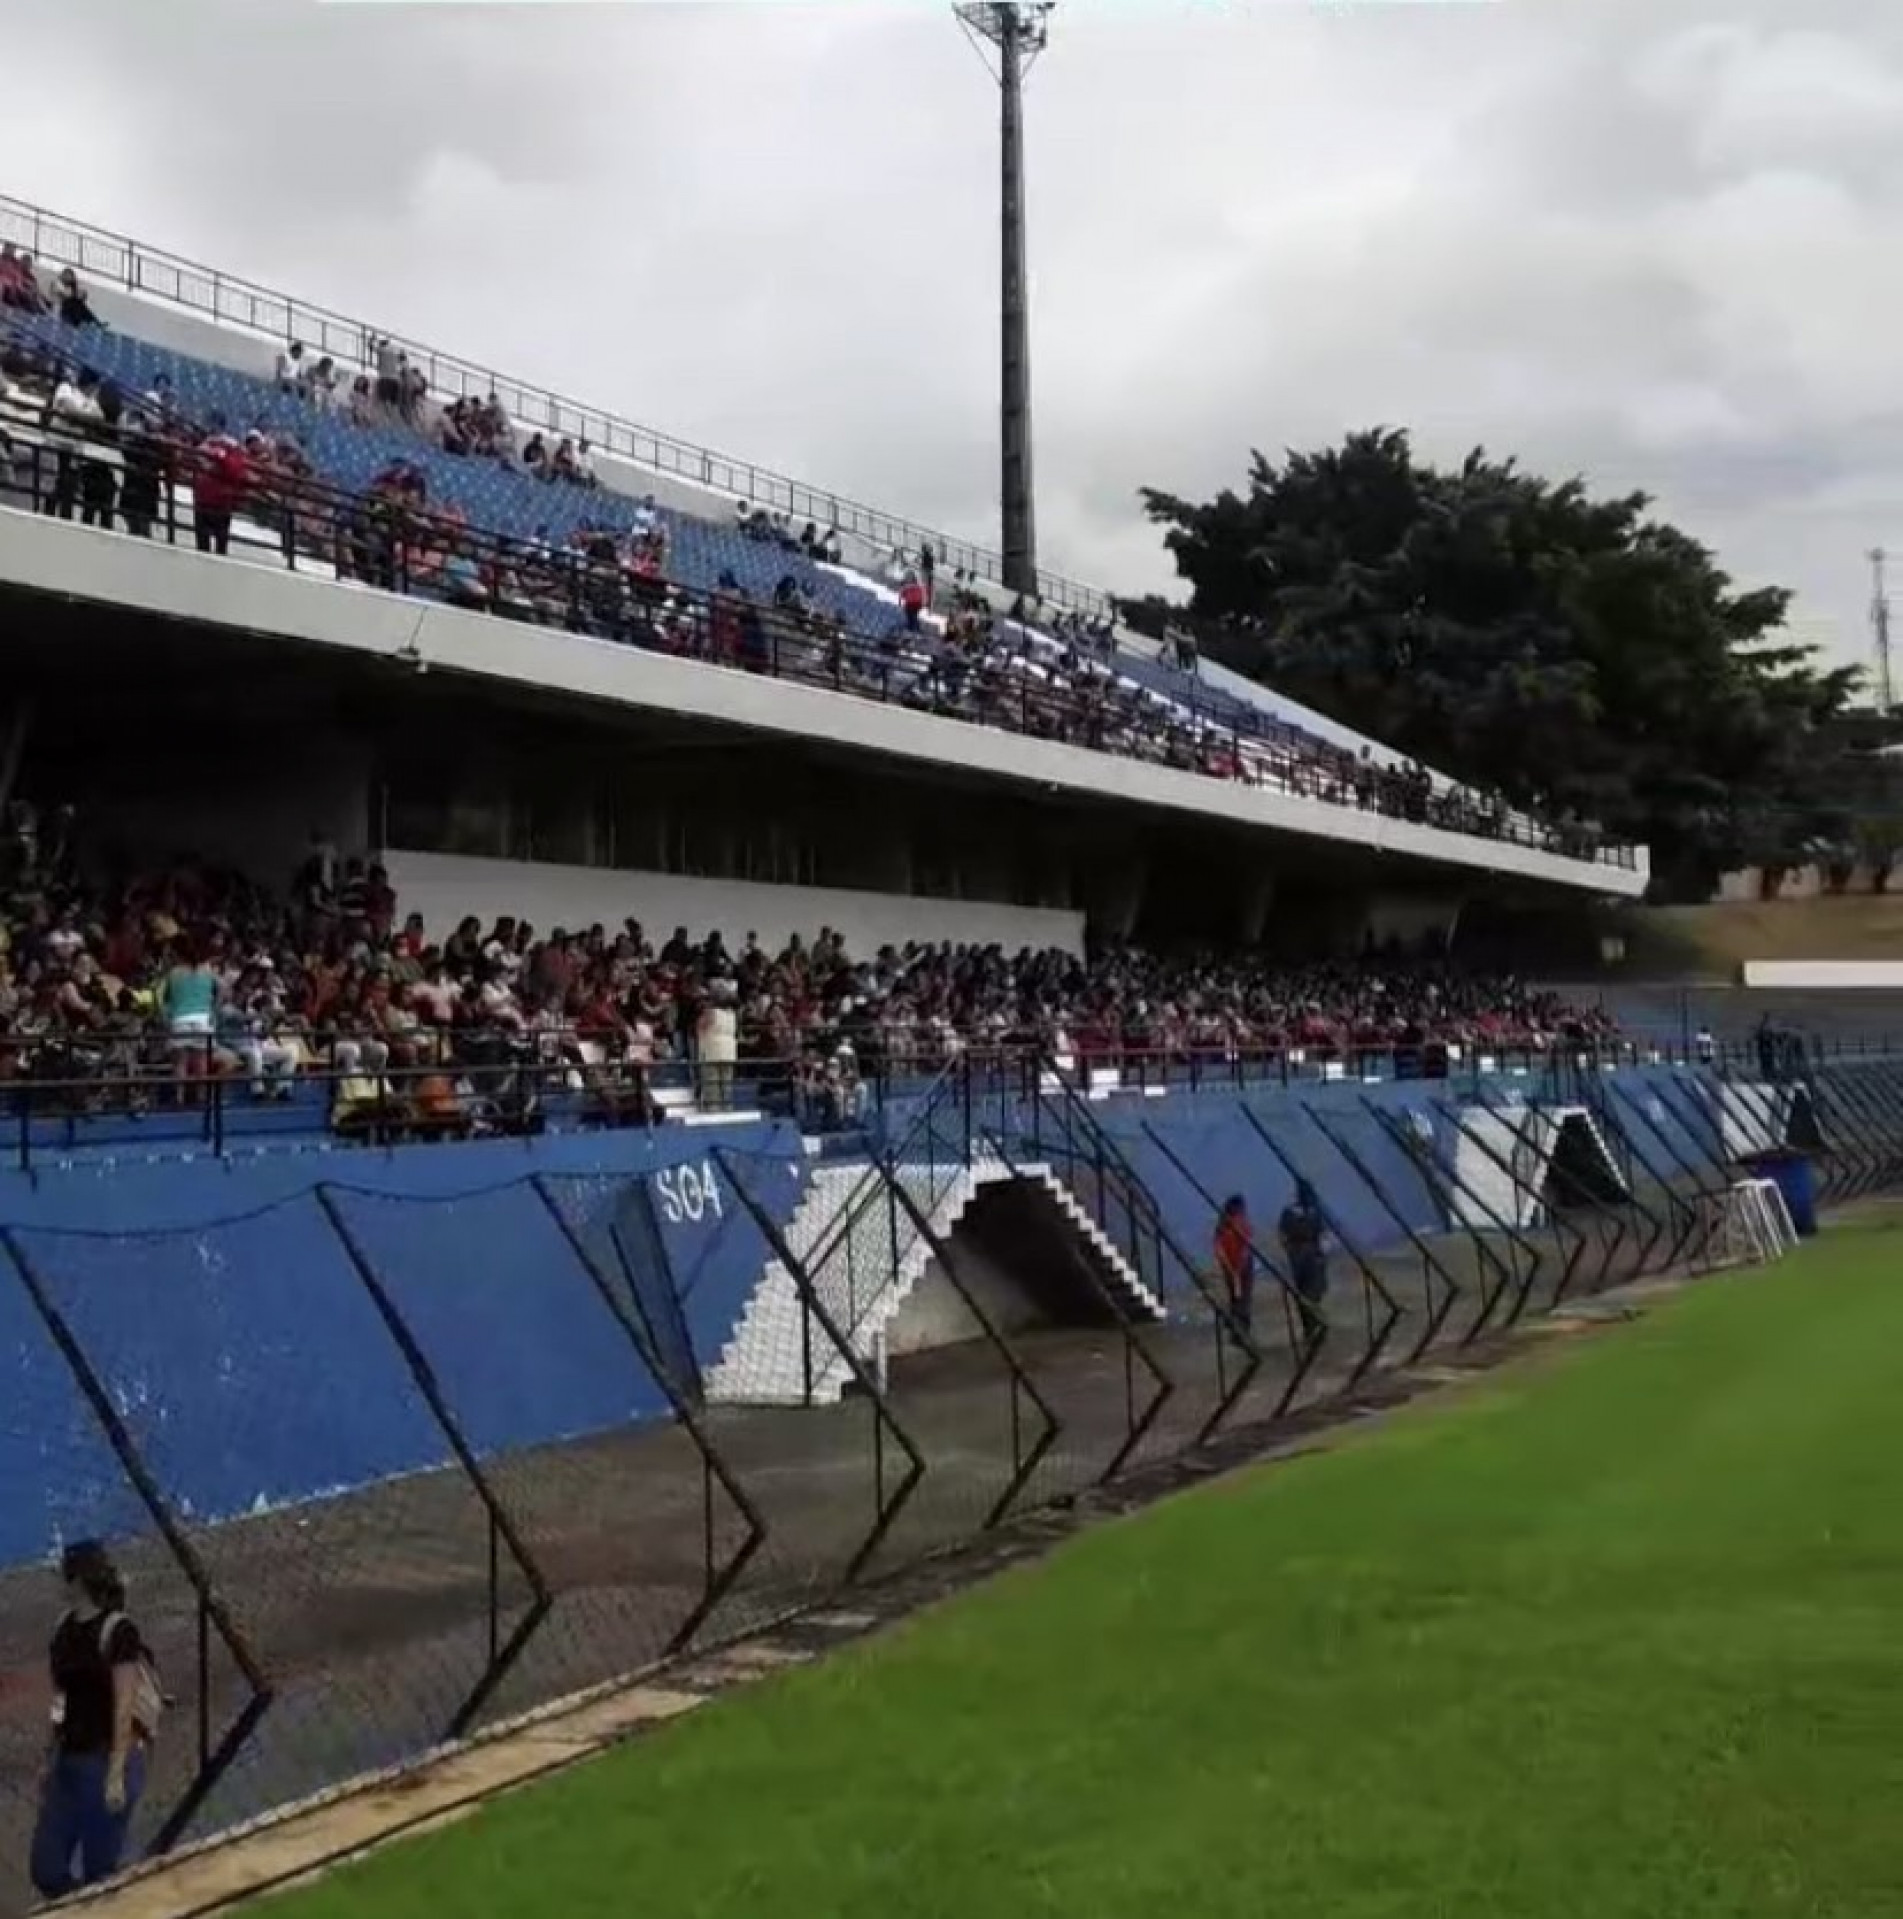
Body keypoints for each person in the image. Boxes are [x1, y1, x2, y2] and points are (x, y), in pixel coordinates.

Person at [31, 1541, 152, 1899]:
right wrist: (49, 1754)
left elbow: (123, 1706)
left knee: (101, 1872)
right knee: (47, 1869)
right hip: (69, 1762)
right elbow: (60, 1698)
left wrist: (115, 1774)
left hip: (105, 1761)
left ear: (76, 1580)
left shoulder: (117, 1632)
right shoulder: (63, 1631)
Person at [1278, 1179, 1329, 1347]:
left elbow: (1321, 1234)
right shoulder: (1301, 1212)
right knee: (1307, 1293)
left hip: (1305, 1255)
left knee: (1310, 1292)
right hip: (1305, 1255)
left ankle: (1312, 1325)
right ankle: (1311, 1326)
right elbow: (1283, 1235)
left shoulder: (1305, 1212)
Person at [1213, 1194, 1254, 1343]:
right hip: (1242, 1267)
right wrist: (1238, 1268)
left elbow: (1218, 1250)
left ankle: (1235, 1328)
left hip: (1229, 1267)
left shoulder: (1221, 1226)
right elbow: (1247, 1247)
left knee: (1234, 1297)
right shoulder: (1241, 1224)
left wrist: (1229, 1268)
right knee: (1245, 1298)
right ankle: (1242, 1331)